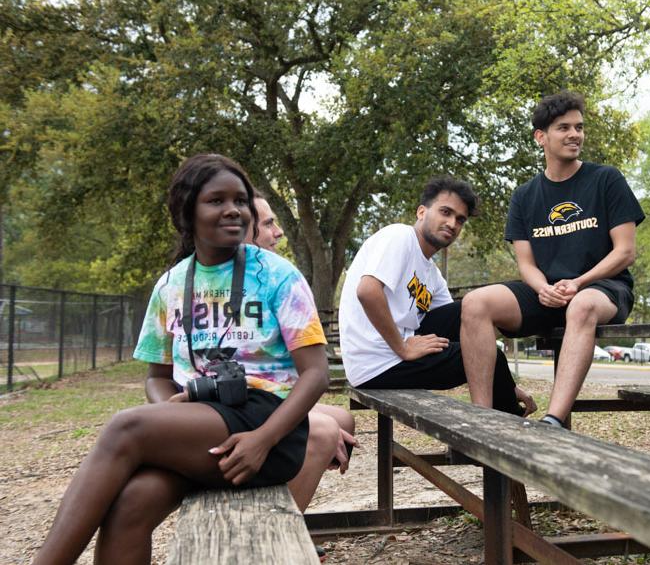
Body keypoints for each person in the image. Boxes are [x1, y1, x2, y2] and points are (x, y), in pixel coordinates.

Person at [34, 154, 340, 565]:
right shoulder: (171, 284)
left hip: (267, 428)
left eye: (240, 200)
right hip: (200, 425)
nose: (233, 209)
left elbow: (316, 374)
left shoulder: (278, 275)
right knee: (130, 504)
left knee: (126, 426)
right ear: (187, 211)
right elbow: (157, 377)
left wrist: (262, 439)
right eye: (216, 200)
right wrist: (168, 418)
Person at [460, 91, 645, 427]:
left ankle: (553, 420)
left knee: (582, 305)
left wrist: (578, 282)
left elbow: (625, 251)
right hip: (547, 293)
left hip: (602, 288)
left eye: (579, 127)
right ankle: (482, 421)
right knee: (475, 303)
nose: (575, 134)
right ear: (541, 137)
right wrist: (542, 288)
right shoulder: (525, 196)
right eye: (564, 128)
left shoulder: (606, 180)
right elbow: (526, 264)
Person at [339, 176, 536, 416]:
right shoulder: (399, 237)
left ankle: (503, 423)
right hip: (377, 364)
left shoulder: (431, 273)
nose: (452, 223)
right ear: (422, 212)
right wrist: (402, 348)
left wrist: (506, 384)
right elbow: (367, 292)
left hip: (395, 356)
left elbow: (467, 325)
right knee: (492, 357)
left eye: (460, 219)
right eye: (445, 212)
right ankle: (504, 440)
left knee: (473, 313)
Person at [246, 190, 357, 471]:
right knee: (326, 430)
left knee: (343, 420)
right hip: (241, 402)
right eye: (268, 224)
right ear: (245, 230)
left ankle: (286, 505)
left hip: (269, 398)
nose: (279, 231)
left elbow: (312, 371)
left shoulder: (279, 277)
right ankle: (276, 509)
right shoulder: (216, 284)